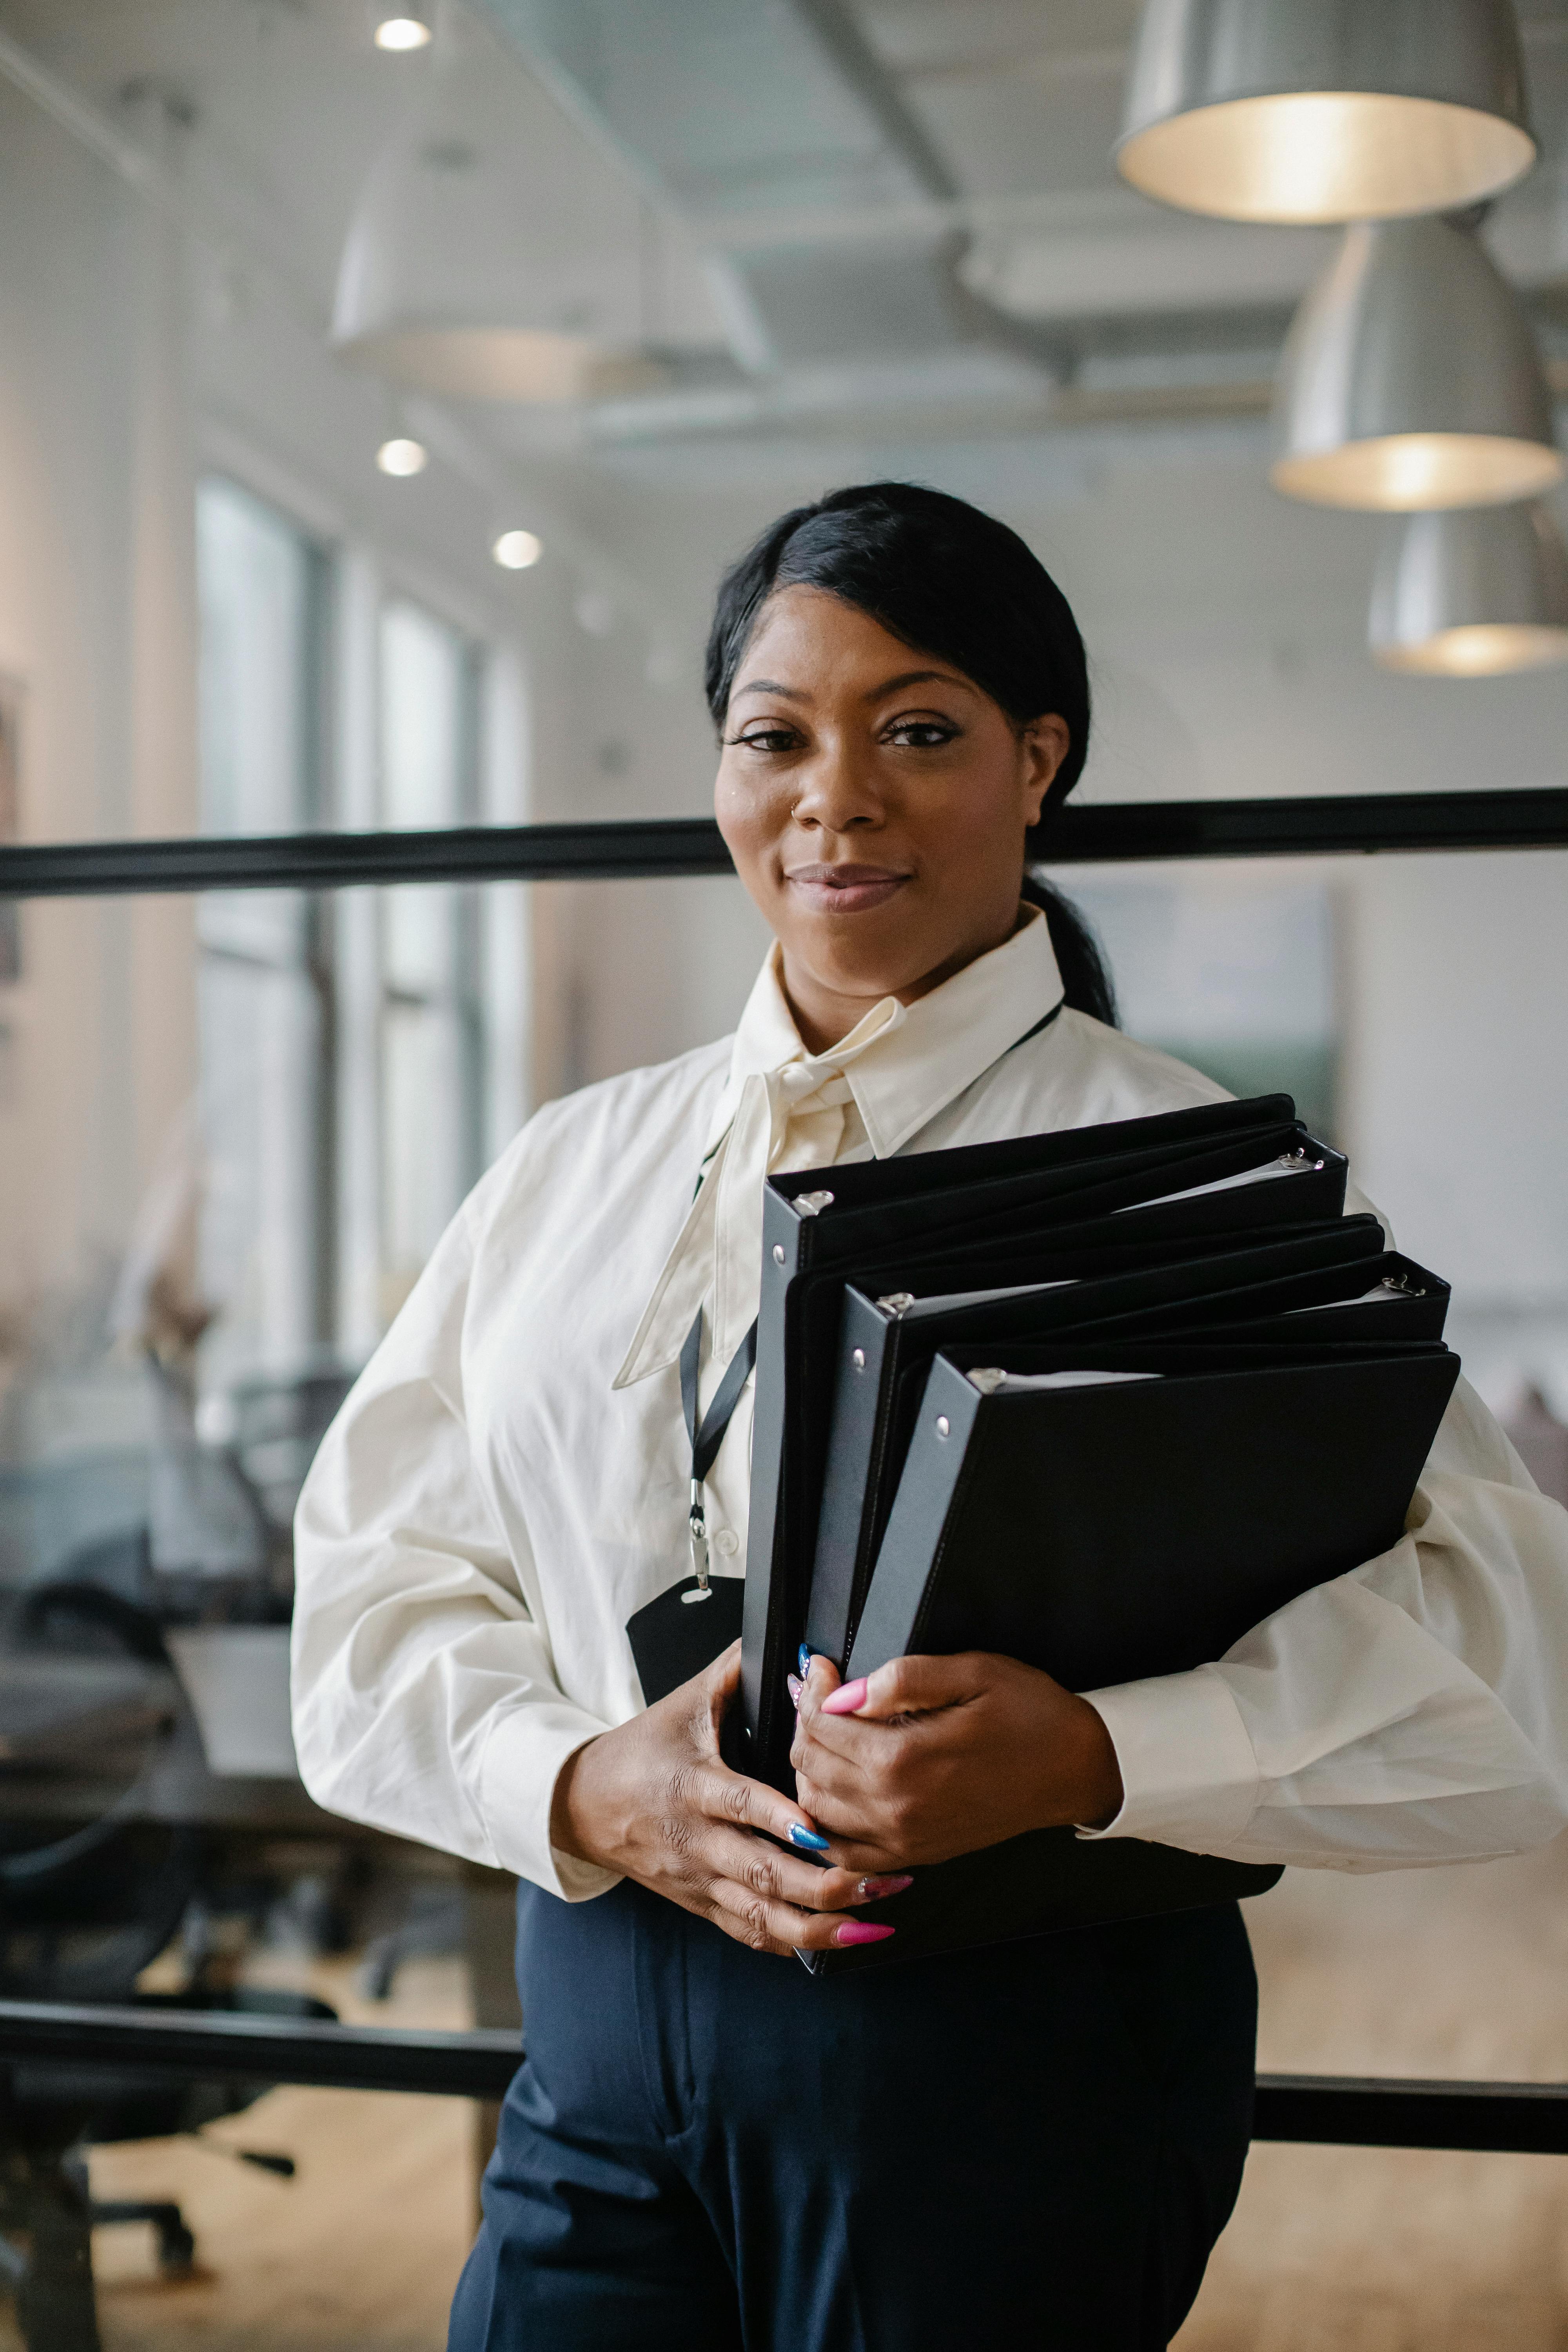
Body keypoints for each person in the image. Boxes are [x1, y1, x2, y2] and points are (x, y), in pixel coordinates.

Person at [290, 482, 1568, 2350]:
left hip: (1010, 2072)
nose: (834, 797)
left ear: (1036, 760)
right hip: (596, 2026)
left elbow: (1502, 1662)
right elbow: (368, 1589)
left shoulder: (1190, 1179)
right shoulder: (571, 1166)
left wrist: (1099, 1753)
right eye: (772, 736)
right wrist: (571, 1782)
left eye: (916, 730)